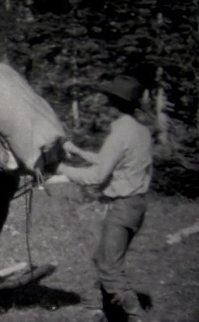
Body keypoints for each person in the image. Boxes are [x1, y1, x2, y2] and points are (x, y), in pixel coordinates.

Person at [57, 75, 153, 322]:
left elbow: (98, 176)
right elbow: (114, 163)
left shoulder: (119, 134)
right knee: (104, 257)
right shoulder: (140, 131)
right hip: (137, 205)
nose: (104, 106)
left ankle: (136, 316)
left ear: (114, 105)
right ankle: (97, 310)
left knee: (109, 267)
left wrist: (61, 169)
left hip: (123, 206)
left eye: (107, 101)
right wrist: (77, 152)